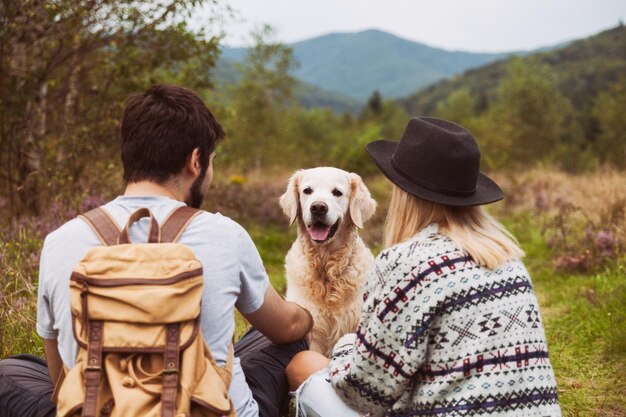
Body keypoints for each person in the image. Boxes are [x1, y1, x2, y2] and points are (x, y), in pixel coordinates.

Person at [0, 84, 313, 417]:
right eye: (212, 162)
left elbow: (59, 372)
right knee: (282, 338)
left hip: (96, 407)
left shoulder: (60, 240)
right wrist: (307, 314)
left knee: (12, 370)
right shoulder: (224, 234)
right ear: (196, 161)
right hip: (212, 409)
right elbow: (286, 327)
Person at [286, 117, 561, 417]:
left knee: (304, 366)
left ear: (406, 194)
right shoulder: (511, 262)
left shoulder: (404, 263)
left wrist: (345, 347)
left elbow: (364, 392)